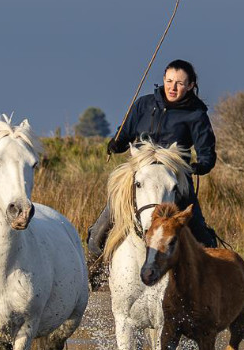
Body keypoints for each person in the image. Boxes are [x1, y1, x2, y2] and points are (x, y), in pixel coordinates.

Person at [85, 58, 220, 263]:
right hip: (140, 171)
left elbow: (207, 153)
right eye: (169, 80)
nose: (173, 87)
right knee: (98, 233)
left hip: (174, 177)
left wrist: (200, 166)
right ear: (164, 79)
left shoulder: (196, 114)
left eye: (180, 83)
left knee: (202, 236)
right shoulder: (144, 104)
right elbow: (126, 133)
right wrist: (116, 144)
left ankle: (207, 277)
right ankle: (95, 268)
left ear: (191, 85)